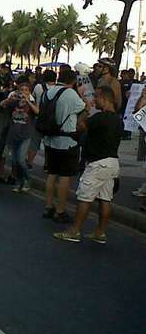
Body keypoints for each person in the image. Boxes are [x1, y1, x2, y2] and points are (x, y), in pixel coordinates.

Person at [54, 86, 123, 244]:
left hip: (97, 164)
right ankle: (100, 232)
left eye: (96, 98)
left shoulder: (100, 118)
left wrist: (86, 109)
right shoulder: (117, 121)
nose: (94, 101)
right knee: (106, 199)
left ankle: (74, 231)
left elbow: (80, 126)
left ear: (105, 99)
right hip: (112, 163)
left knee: (84, 198)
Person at [42, 67, 86, 222]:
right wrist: (81, 95)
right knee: (65, 176)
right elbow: (83, 107)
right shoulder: (71, 94)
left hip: (50, 138)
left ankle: (48, 206)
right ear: (73, 81)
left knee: (51, 174)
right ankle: (60, 211)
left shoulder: (48, 91)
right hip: (67, 140)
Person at [0, 78, 39, 192]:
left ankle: (27, 180)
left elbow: (37, 112)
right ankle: (18, 182)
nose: (23, 92)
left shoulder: (31, 103)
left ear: (29, 92)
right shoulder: (14, 103)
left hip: (25, 135)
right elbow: (2, 104)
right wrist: (10, 99)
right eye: (21, 90)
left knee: (21, 160)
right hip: (13, 135)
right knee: (14, 161)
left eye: (26, 90)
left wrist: (28, 101)